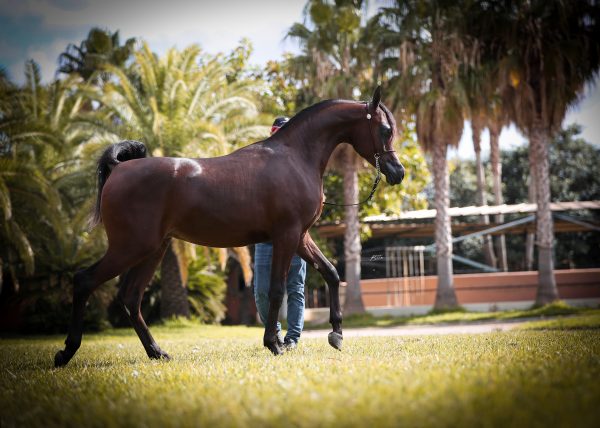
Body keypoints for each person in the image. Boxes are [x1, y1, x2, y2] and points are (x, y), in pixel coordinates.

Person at [253, 116, 307, 351]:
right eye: (276, 134)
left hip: (295, 240)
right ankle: (273, 331)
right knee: (261, 292)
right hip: (265, 240)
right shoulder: (259, 164)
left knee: (295, 289)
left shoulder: (302, 166)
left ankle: (293, 339)